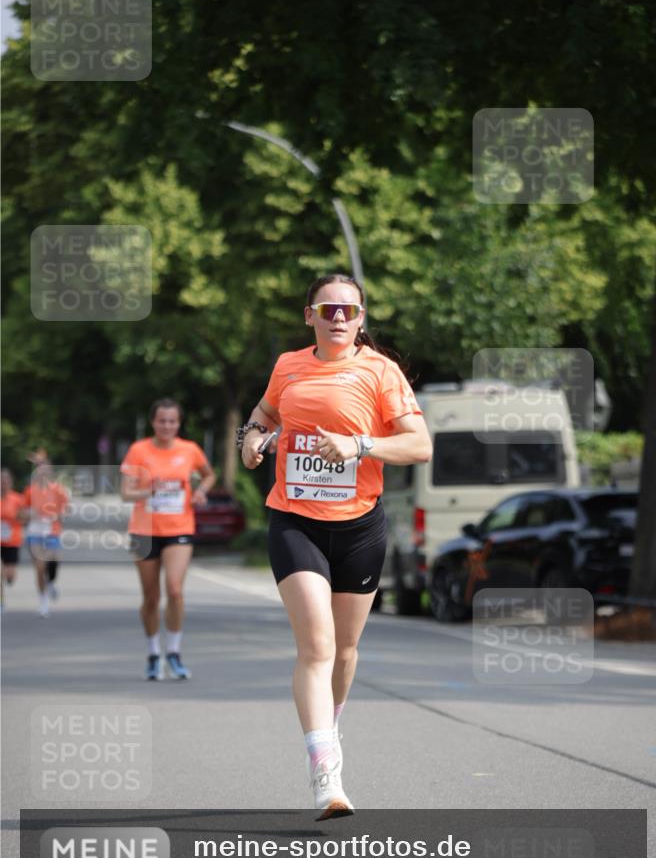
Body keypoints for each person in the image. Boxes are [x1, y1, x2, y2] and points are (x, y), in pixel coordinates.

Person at [240, 274, 432, 819]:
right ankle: (326, 773)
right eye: (329, 309)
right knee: (317, 647)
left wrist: (359, 444)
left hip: (359, 526)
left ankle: (330, 723)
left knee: (345, 652)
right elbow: (263, 415)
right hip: (294, 520)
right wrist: (250, 440)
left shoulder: (380, 371)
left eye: (349, 310)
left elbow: (420, 446)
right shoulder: (288, 365)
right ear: (310, 316)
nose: (339, 318)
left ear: (362, 318)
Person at [120, 399, 216, 681]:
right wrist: (147, 490)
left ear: (178, 423)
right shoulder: (139, 451)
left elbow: (208, 476)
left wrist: (200, 491)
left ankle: (173, 652)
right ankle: (153, 653)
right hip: (144, 530)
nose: (166, 426)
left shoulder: (190, 450)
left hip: (179, 527)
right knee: (151, 598)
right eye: (161, 420)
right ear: (153, 422)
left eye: (172, 421)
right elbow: (126, 493)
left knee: (174, 589)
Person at [23, 456, 69, 617]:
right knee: (40, 567)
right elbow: (23, 511)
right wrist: (29, 514)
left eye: (46, 468)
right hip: (35, 532)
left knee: (54, 562)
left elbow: (66, 509)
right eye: (39, 468)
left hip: (52, 531)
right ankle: (43, 601)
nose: (42, 471)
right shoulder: (30, 490)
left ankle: (50, 582)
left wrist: (59, 514)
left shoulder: (58, 490)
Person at [1, 469, 27, 605]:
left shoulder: (17, 499)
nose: (3, 482)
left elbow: (24, 518)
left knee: (9, 575)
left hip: (12, 540)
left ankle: (8, 579)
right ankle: (1, 600)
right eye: (1, 480)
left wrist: (18, 517)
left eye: (5, 480)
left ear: (10, 482)